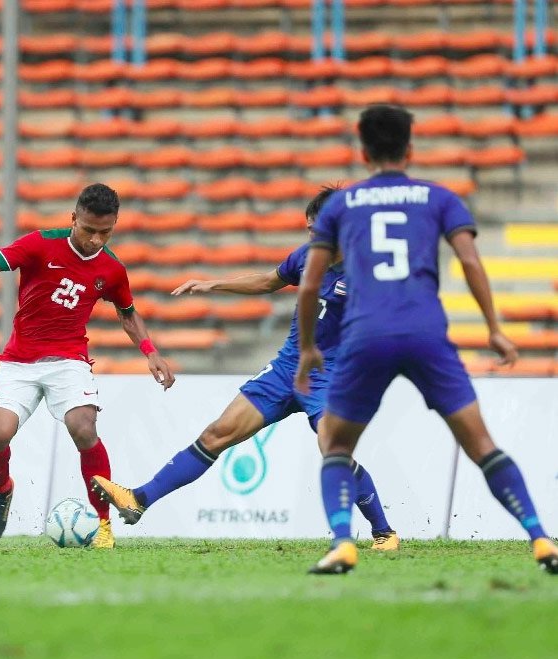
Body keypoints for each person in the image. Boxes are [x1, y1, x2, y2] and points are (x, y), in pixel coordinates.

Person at [295, 104, 558, 574]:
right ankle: (541, 539)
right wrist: (494, 328)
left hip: (365, 334)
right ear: (410, 149)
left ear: (363, 151)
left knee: (335, 445)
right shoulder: (439, 197)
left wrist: (310, 346)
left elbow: (311, 283)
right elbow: (471, 262)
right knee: (482, 445)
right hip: (426, 333)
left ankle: (342, 543)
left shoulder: (339, 206)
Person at [91, 187, 398, 550]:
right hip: (287, 368)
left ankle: (384, 532)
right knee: (216, 434)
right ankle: (139, 499)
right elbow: (269, 281)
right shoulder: (306, 257)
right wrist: (214, 284)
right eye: (310, 230)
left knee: (335, 449)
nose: (313, 237)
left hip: (332, 376)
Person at [0, 183, 175, 549]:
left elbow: (128, 314)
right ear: (73, 218)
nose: (96, 239)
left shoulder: (112, 269)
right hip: (19, 361)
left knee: (84, 427)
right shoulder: (39, 244)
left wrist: (150, 351)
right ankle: (3, 488)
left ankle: (105, 526)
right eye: (89, 230)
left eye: (105, 232)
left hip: (69, 360)